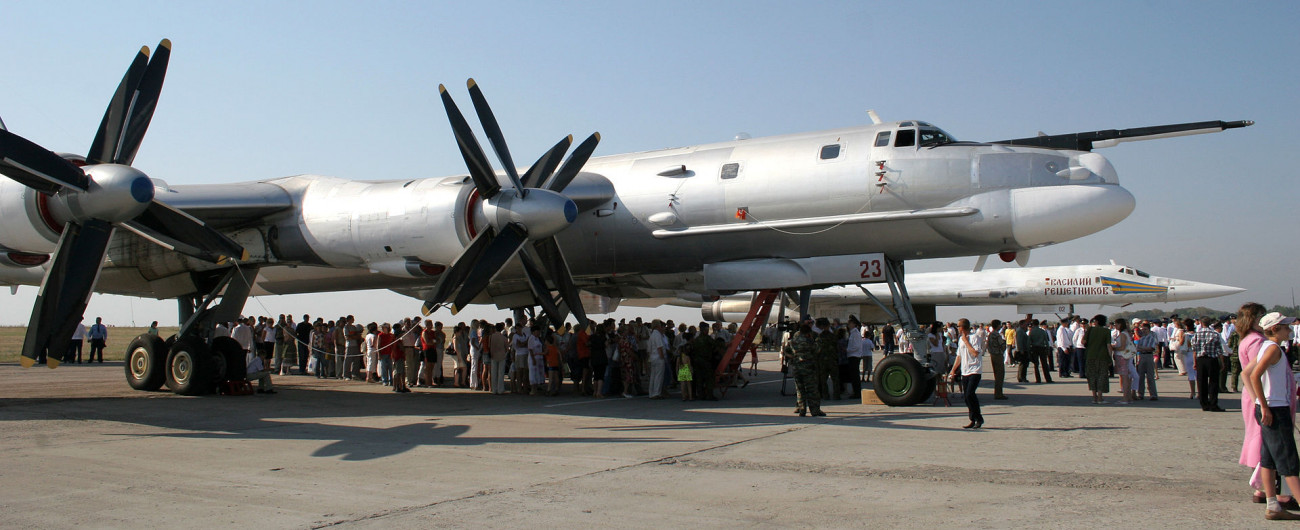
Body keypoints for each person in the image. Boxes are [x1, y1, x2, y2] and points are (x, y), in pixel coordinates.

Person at [1245, 312, 1300, 520]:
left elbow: (1249, 374)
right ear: (1275, 329)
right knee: (1288, 461)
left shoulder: (1266, 346)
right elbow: (1254, 375)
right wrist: (1266, 406)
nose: (1290, 329)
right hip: (1275, 408)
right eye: (1285, 327)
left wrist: (1260, 404)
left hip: (1270, 407)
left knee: (1268, 459)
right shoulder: (1273, 348)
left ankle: (1273, 504)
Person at [948, 318, 984, 429]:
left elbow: (975, 353)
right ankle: (972, 418)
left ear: (963, 327)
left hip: (975, 370)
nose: (957, 328)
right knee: (966, 397)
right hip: (965, 371)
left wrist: (966, 341)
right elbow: (959, 356)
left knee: (970, 394)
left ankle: (979, 418)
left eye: (958, 326)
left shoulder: (974, 337)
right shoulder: (960, 340)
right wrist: (953, 370)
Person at [784, 321, 824, 417]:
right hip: (808, 368)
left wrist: (793, 357)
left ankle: (802, 410)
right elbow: (817, 349)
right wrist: (818, 340)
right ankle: (815, 411)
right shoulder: (809, 340)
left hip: (797, 367)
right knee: (812, 390)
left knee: (800, 389)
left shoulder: (794, 339)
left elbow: (786, 350)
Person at [1188, 316, 1226, 412]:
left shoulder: (1197, 335)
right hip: (1212, 359)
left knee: (1201, 382)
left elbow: (1194, 350)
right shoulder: (1215, 334)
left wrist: (1195, 362)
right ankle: (1213, 404)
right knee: (1213, 382)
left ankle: (1204, 404)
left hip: (1201, 359)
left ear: (1201, 323)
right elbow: (1219, 350)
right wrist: (1222, 363)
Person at [1082, 314, 1112, 404]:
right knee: (1102, 376)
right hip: (1102, 357)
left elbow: (1083, 342)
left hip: (1090, 356)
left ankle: (1094, 397)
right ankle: (1100, 397)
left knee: (1092, 376)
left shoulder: (1090, 330)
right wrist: (1110, 358)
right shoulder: (1107, 331)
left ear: (1096, 321)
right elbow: (1108, 346)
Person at [1134, 322, 1159, 400]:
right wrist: (1142, 348)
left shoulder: (1151, 337)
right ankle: (1140, 394)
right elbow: (1137, 348)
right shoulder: (1141, 338)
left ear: (1149, 329)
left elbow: (1151, 348)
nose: (1143, 331)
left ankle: (1153, 394)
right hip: (1141, 356)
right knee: (1140, 376)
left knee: (1150, 376)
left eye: (1145, 329)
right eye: (1142, 329)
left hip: (1149, 356)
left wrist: (1142, 348)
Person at [985, 319, 1007, 400]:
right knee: (1000, 375)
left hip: (992, 354)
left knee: (996, 374)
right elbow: (1002, 345)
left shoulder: (990, 334)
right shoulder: (997, 335)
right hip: (998, 354)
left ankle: (998, 393)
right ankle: (998, 393)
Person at [487, 323, 508, 395]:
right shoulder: (504, 338)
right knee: (501, 373)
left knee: (494, 373)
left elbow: (489, 346)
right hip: (502, 355)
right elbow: (506, 347)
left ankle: (494, 389)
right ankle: (500, 389)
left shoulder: (491, 337)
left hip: (493, 355)